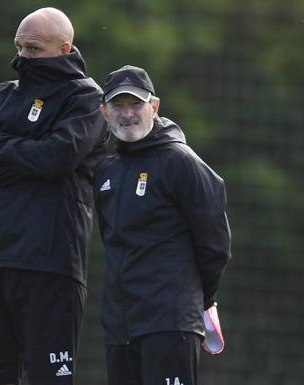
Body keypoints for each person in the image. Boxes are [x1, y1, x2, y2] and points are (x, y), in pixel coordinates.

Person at [0, 7, 108, 385]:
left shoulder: (86, 99)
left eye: (33, 49)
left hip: (51, 263)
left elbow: (58, 157)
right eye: (19, 47)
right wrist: (29, 156)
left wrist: (0, 143)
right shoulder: (3, 96)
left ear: (64, 48)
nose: (23, 57)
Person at [93, 65, 232, 385]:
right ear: (104, 112)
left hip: (170, 322)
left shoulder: (181, 162)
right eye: (117, 105)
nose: (127, 114)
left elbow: (215, 245)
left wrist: (197, 298)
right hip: (119, 326)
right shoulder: (105, 172)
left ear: (154, 107)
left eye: (136, 104)